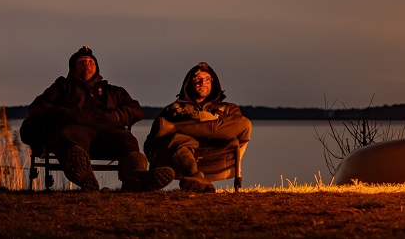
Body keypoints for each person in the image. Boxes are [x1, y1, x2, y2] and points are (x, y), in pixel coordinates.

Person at [20, 46, 174, 192]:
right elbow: (37, 107)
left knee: (127, 141)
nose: (87, 63)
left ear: (97, 67)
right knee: (68, 138)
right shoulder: (62, 88)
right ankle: (86, 179)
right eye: (82, 62)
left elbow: (135, 110)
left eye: (91, 61)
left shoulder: (112, 91)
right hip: (76, 134)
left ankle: (137, 177)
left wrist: (116, 116)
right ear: (73, 68)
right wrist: (68, 114)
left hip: (109, 134)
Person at [144, 62, 252, 193]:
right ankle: (197, 177)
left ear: (213, 83)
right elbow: (152, 141)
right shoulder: (173, 110)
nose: (203, 83)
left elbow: (238, 130)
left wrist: (201, 118)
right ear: (189, 83)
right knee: (174, 139)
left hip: (219, 154)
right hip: (185, 157)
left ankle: (175, 127)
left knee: (244, 123)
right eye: (198, 79)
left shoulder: (229, 109)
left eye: (207, 79)